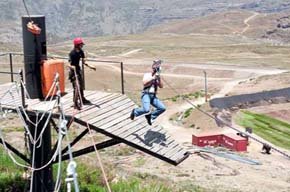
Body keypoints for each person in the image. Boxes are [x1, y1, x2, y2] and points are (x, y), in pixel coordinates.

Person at [130, 60, 166, 125]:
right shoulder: (147, 75)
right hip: (146, 94)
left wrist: (159, 78)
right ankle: (135, 111)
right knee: (146, 110)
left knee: (162, 108)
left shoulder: (157, 77)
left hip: (153, 96)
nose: (154, 71)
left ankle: (151, 117)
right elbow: (144, 83)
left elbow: (161, 86)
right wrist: (153, 78)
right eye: (154, 69)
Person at [68, 37, 96, 110]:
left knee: (81, 85)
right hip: (73, 72)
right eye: (81, 44)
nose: (82, 46)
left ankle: (82, 99)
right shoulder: (72, 53)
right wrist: (72, 67)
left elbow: (83, 61)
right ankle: (75, 102)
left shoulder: (81, 52)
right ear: (77, 45)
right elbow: (68, 64)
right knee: (76, 86)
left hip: (78, 70)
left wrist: (90, 66)